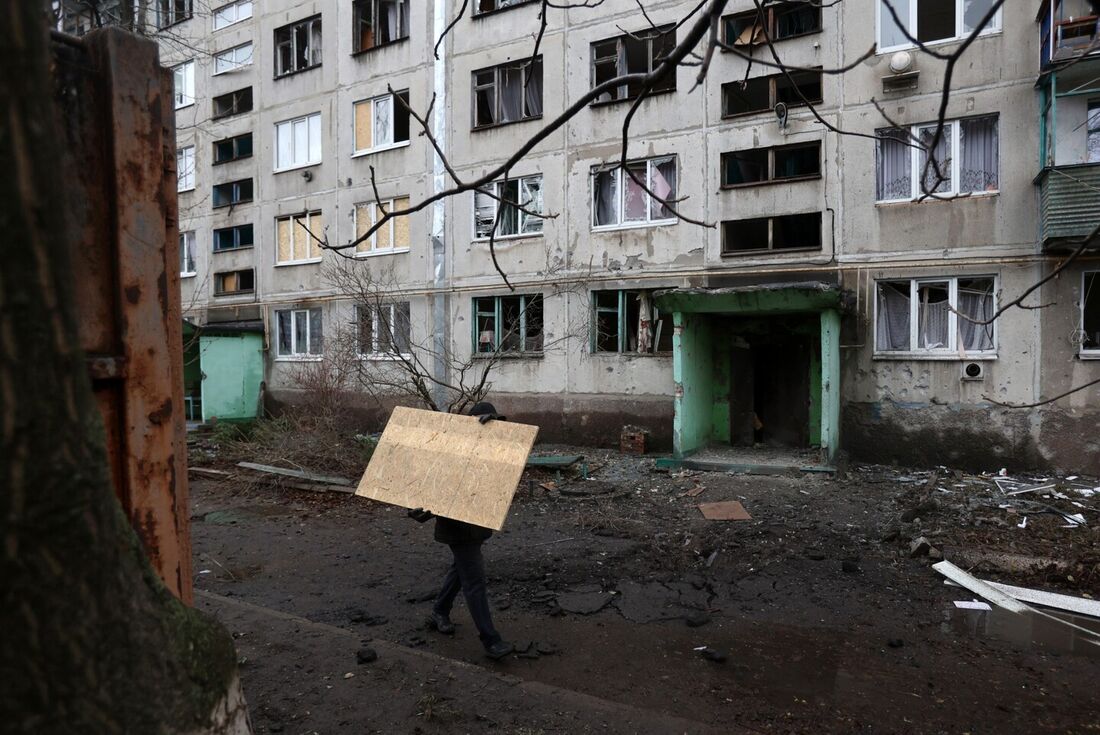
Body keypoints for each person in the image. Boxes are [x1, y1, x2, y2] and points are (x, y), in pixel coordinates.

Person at [407, 401, 514, 660]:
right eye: (490, 422)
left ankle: (439, 611)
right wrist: (423, 507)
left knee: (460, 571)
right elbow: (437, 483)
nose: (494, 427)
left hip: (475, 528)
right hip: (458, 530)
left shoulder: (488, 451)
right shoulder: (454, 452)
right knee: (474, 582)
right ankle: (490, 640)